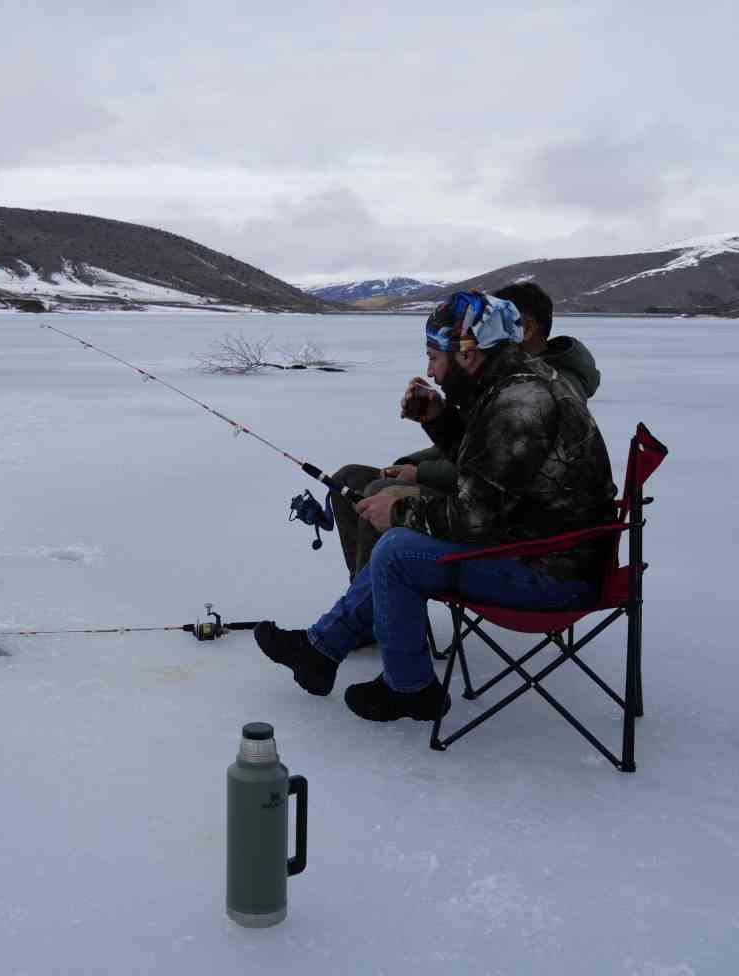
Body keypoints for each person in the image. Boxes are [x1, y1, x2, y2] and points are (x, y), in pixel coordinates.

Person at [256, 290, 617, 723]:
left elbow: (476, 519)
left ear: (468, 353)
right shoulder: (516, 384)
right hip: (541, 546)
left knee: (397, 551)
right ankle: (319, 652)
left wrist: (397, 513)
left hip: (552, 573)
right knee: (402, 545)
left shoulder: (521, 403)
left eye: (433, 355)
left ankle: (409, 689)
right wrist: (440, 420)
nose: (429, 369)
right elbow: (488, 470)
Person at [327, 281, 602, 580]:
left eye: (492, 322)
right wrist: (437, 423)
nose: (483, 329)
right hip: (499, 514)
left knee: (382, 497)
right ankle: (359, 606)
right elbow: (483, 453)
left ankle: (360, 617)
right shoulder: (501, 382)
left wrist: (418, 477)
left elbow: (488, 493)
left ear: (525, 327)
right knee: (351, 481)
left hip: (539, 551)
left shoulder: (526, 396)